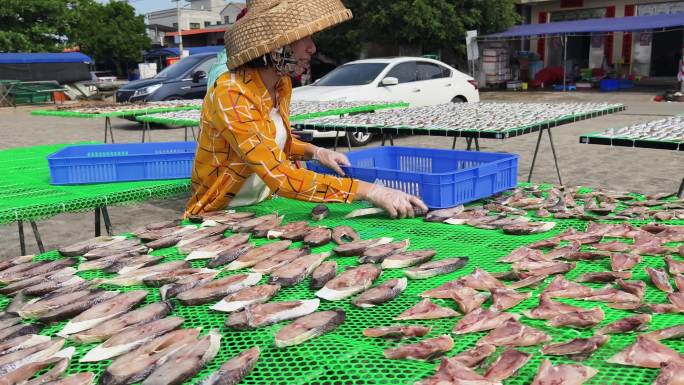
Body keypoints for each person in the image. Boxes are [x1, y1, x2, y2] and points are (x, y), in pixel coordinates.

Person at [185, 0, 427, 219]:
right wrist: (371, 191)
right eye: (305, 38)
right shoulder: (231, 92)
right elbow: (279, 175)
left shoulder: (281, 84)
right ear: (276, 46)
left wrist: (317, 152)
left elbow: (271, 143)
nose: (312, 48)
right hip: (220, 212)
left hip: (262, 206)